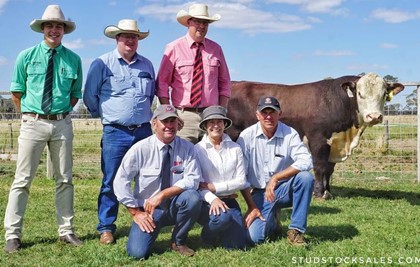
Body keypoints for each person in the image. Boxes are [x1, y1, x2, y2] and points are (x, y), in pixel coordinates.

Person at [4, 5, 83, 253]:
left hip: (61, 123)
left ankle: (66, 231)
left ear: (64, 30)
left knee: (65, 179)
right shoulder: (25, 56)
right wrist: (31, 116)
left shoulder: (73, 59)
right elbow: (17, 93)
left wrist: (58, 115)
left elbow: (74, 95)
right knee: (22, 179)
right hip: (32, 122)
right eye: (49, 25)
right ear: (42, 29)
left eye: (59, 26)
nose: (54, 30)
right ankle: (13, 235)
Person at [83, 19, 155, 245]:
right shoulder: (101, 63)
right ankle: (106, 227)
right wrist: (108, 117)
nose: (130, 40)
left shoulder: (147, 65)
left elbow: (151, 96)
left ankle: (145, 221)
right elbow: (89, 97)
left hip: (143, 131)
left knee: (146, 179)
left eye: (134, 37)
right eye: (125, 36)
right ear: (117, 38)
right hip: (116, 132)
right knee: (111, 180)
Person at [113, 104, 201, 260]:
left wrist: (162, 194)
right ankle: (150, 229)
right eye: (164, 121)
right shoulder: (140, 149)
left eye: (173, 121)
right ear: (154, 124)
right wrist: (136, 212)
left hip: (176, 205)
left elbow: (193, 179)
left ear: (178, 124)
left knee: (193, 197)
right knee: (137, 253)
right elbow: (121, 181)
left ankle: (178, 241)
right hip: (149, 211)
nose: (169, 126)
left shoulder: (187, 148)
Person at [237, 96, 314, 247]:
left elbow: (306, 161)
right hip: (260, 192)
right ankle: (273, 221)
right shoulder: (246, 137)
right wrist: (252, 206)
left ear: (279, 113)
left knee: (306, 178)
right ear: (257, 115)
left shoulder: (290, 133)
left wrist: (276, 178)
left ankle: (296, 230)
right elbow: (241, 176)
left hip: (285, 189)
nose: (268, 116)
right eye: (264, 112)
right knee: (254, 238)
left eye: (272, 112)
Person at [156, 3, 231, 144]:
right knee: (181, 160)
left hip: (211, 115)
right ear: (188, 22)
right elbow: (162, 84)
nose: (202, 26)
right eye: (197, 21)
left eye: (205, 23)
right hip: (183, 116)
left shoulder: (216, 49)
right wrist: (170, 114)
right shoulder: (173, 48)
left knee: (210, 160)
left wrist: (221, 111)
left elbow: (225, 82)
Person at [195, 106, 248, 249]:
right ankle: (207, 236)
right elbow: (199, 185)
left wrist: (215, 187)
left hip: (230, 201)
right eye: (211, 122)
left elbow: (241, 181)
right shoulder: (197, 150)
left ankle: (223, 232)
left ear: (225, 124)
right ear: (205, 125)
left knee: (236, 245)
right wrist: (213, 198)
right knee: (223, 218)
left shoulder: (235, 148)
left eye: (219, 121)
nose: (216, 126)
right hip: (207, 202)